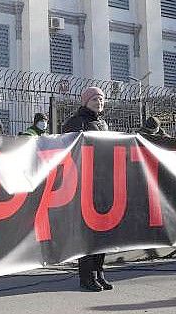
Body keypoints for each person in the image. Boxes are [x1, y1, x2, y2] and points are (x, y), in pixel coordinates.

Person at [62, 86, 113, 291]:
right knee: (89, 232)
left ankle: (100, 271)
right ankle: (87, 275)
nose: (98, 102)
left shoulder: (103, 123)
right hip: (84, 181)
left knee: (104, 230)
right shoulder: (76, 122)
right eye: (94, 99)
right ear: (85, 101)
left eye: (101, 99)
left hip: (103, 181)